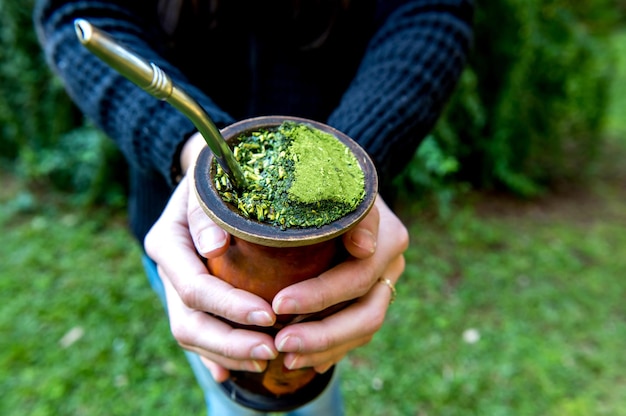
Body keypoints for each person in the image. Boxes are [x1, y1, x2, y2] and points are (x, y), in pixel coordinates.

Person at [34, 0, 474, 414]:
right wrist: (187, 148)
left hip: (339, 238)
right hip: (184, 236)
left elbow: (430, 9)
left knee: (313, 387)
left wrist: (354, 155)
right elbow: (78, 10)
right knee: (231, 391)